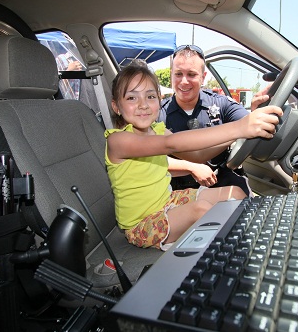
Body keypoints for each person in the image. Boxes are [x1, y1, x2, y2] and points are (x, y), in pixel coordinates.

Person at [105, 60, 282, 250]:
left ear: (159, 99)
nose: (143, 105)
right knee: (202, 210)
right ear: (116, 106)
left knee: (235, 193)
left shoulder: (158, 130)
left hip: (167, 202)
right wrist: (239, 127)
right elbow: (170, 144)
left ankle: (259, 239)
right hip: (141, 224)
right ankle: (244, 253)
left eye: (150, 96)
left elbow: (197, 155)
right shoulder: (118, 141)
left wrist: (238, 135)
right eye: (132, 98)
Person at [158, 45, 271, 196]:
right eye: (178, 74)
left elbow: (248, 123)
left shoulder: (221, 103)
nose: (184, 81)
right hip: (179, 191)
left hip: (223, 180)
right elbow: (151, 160)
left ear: (203, 77)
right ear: (172, 74)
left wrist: (257, 110)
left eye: (191, 74)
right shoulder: (158, 114)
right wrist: (190, 167)